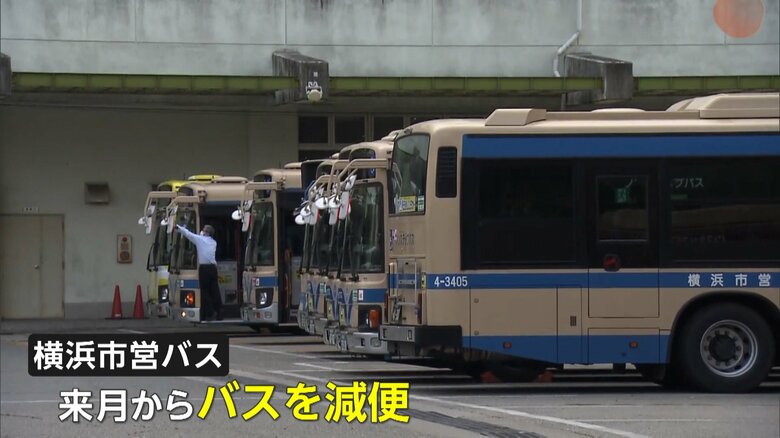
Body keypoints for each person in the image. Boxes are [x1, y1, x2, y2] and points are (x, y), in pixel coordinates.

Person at [176, 223, 222, 321]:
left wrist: (178, 227)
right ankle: (219, 312)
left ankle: (210, 312)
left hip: (204, 269)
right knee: (215, 291)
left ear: (206, 233)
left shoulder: (200, 239)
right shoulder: (213, 242)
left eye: (203, 230)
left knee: (204, 291)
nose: (202, 231)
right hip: (213, 268)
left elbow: (188, 234)